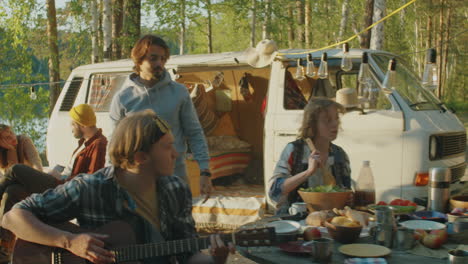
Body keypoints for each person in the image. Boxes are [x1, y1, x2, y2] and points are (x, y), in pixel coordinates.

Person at [2, 109, 234, 264]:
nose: (176, 154)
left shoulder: (176, 190)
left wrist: (217, 257)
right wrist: (69, 241)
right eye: (167, 147)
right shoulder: (90, 188)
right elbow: (12, 218)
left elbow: (189, 255)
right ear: (141, 157)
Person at [109, 34, 212, 196]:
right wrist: (112, 177)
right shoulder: (123, 98)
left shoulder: (179, 92)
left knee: (179, 221)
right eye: (153, 58)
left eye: (163, 59)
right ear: (139, 60)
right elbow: (115, 143)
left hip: (175, 175)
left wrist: (205, 171)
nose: (159, 64)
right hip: (137, 179)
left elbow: (194, 133)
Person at [0, 104, 107, 257]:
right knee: (13, 192)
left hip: (64, 189)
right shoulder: (85, 142)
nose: (70, 127)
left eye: (72, 123)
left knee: (16, 170)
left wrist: (62, 178)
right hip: (60, 181)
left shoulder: (99, 144)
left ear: (81, 124)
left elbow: (92, 179)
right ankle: (4, 249)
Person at [268, 97, 351, 214]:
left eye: (336, 119)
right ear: (312, 124)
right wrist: (308, 172)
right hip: (293, 220)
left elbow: (345, 192)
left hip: (330, 219)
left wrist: (349, 197)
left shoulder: (339, 154)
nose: (335, 124)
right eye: (327, 120)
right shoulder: (294, 150)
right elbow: (275, 191)